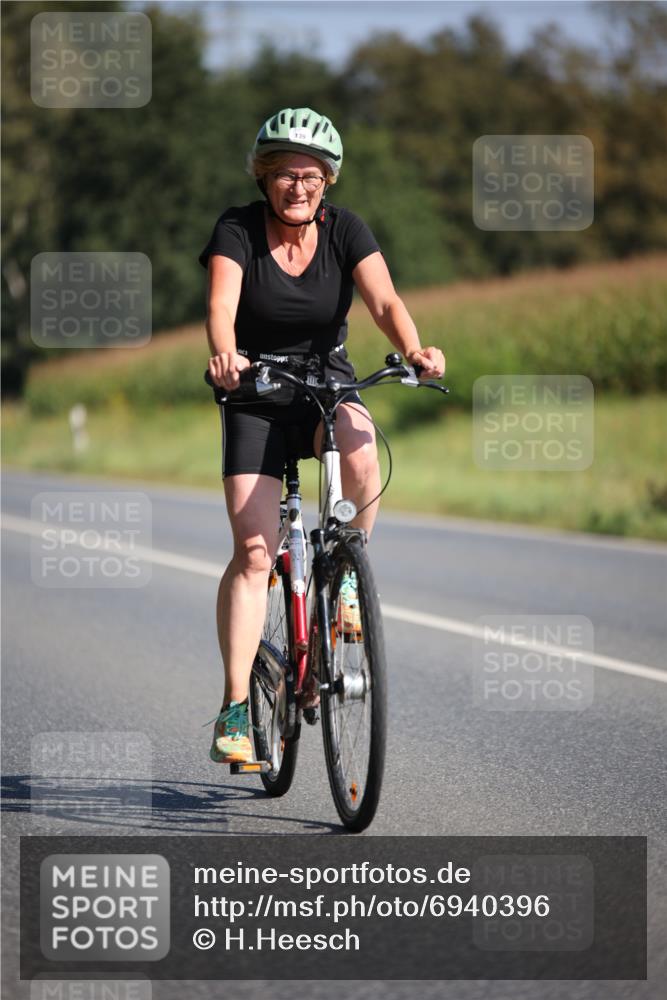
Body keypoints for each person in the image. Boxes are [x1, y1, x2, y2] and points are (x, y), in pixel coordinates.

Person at [200, 107, 445, 764]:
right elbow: (221, 307)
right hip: (253, 390)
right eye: (283, 174)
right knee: (255, 553)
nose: (297, 186)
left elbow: (386, 304)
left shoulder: (347, 231)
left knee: (362, 449)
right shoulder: (237, 229)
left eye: (308, 174)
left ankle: (342, 576)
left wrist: (415, 349)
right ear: (264, 177)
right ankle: (231, 706)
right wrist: (226, 355)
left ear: (327, 180)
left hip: (324, 382)